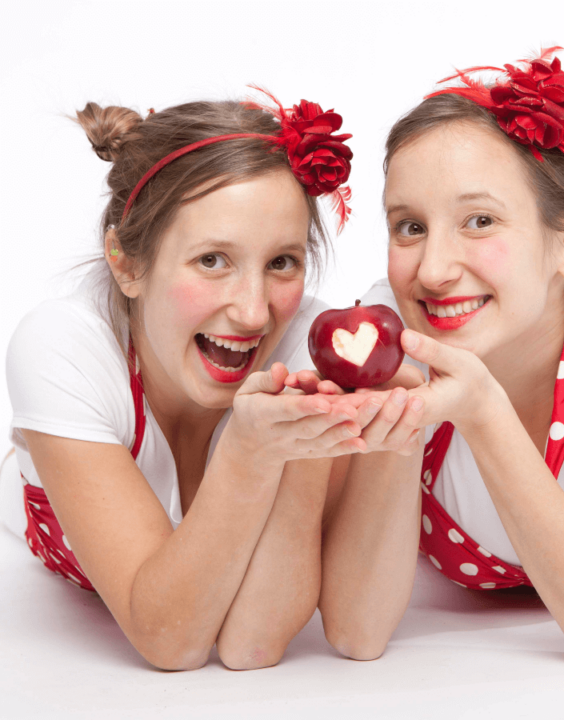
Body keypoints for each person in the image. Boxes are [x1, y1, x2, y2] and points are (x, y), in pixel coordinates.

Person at [311, 48, 564, 666]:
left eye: (479, 221)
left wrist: (481, 411)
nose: (435, 270)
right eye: (409, 227)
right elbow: (355, 633)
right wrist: (399, 424)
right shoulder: (385, 328)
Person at [2, 92, 384, 671]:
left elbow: (252, 641)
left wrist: (307, 454)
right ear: (127, 263)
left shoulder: (311, 346)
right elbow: (170, 640)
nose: (255, 314)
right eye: (212, 260)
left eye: (282, 262)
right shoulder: (63, 347)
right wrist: (250, 455)